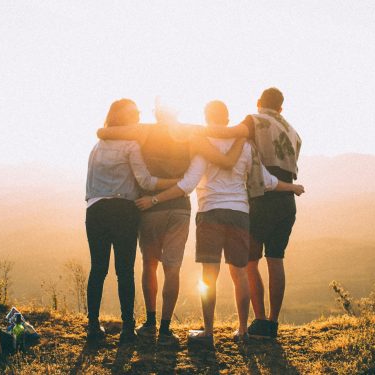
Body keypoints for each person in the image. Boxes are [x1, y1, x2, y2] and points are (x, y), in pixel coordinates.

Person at [136, 100, 304, 346]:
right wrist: (292, 187)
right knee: (240, 274)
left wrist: (154, 199)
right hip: (239, 214)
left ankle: (209, 333)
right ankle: (243, 330)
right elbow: (266, 181)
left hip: (210, 212)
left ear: (206, 117)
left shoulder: (203, 144)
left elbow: (188, 184)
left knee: (209, 275)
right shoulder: (246, 145)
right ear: (227, 119)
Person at [97, 103, 244, 345]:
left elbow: (105, 133)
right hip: (179, 208)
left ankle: (150, 322)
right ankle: (166, 329)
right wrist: (242, 132)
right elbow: (224, 145)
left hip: (150, 207)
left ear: (156, 113)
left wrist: (102, 132)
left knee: (149, 264)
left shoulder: (143, 131)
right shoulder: (191, 133)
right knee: (172, 268)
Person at [206, 88, 302, 339]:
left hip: (261, 197)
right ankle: (273, 322)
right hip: (286, 200)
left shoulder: (254, 120)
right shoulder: (293, 132)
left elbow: (227, 133)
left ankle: (258, 321)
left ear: (259, 102)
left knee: (250, 261)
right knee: (276, 259)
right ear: (281, 108)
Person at [85, 99, 179, 345]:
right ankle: (128, 328)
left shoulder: (97, 146)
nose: (138, 116)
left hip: (95, 210)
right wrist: (176, 182)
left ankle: (93, 326)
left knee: (98, 269)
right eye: (135, 113)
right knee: (124, 271)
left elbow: (90, 184)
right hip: (124, 210)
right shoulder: (131, 145)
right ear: (125, 118)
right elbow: (146, 182)